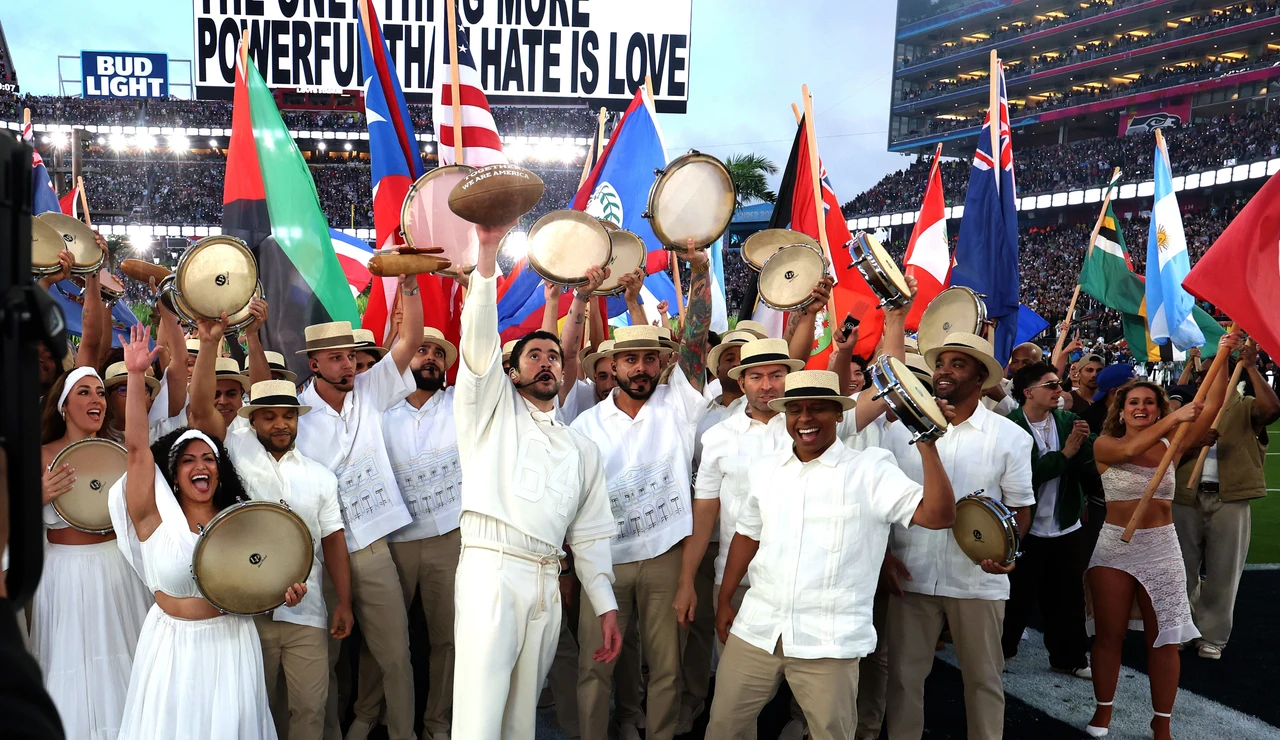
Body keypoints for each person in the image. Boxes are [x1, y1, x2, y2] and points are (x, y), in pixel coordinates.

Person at [706, 370, 957, 739]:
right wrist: (725, 599)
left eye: (817, 409)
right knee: (723, 728)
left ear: (839, 414)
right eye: (795, 410)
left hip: (829, 641)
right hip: (758, 627)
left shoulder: (870, 469)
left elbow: (939, 516)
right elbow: (747, 535)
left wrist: (927, 444)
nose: (805, 418)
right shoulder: (766, 470)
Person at [453, 220, 622, 738]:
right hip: (491, 572)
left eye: (553, 356)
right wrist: (487, 255)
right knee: (479, 718)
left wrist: (606, 605)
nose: (546, 363)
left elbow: (590, 536)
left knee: (520, 719)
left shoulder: (582, 449)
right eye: (533, 356)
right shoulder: (488, 414)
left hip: (548, 581)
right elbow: (479, 345)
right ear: (512, 372)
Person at [108, 324, 303, 739]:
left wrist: (285, 591)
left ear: (220, 470)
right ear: (174, 475)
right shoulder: (153, 517)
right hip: (171, 650)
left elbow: (264, 578)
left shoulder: (238, 521)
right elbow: (138, 450)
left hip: (232, 646)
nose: (201, 465)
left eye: (209, 458)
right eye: (188, 459)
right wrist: (137, 376)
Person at [188, 317, 356, 740]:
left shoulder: (321, 478)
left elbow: (333, 541)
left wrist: (344, 602)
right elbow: (201, 410)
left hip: (307, 610)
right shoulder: (234, 450)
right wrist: (215, 341)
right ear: (253, 421)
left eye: (288, 416)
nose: (280, 424)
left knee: (310, 710)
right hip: (245, 612)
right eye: (269, 417)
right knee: (255, 712)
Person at [882, 332, 1034, 740]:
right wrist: (884, 557)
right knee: (903, 679)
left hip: (978, 580)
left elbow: (1021, 508)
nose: (943, 371)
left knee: (984, 681)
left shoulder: (1010, 437)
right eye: (940, 363)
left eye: (958, 364)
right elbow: (881, 502)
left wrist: (1009, 553)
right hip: (911, 573)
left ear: (981, 378)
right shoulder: (899, 432)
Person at [1085, 334, 1236, 740]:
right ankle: (1103, 711)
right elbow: (1130, 451)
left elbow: (1212, 405)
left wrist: (1221, 355)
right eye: (1133, 402)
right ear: (1120, 410)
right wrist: (1173, 417)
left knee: (1164, 638)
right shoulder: (1105, 444)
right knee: (1109, 635)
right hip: (1114, 547)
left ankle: (1162, 722)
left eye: (1150, 402)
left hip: (1162, 547)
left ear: (1157, 408)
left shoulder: (1174, 444)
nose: (1141, 407)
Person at [294, 282, 423, 740]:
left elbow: (411, 338)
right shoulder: (295, 414)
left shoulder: (370, 389)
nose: (348, 364)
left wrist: (410, 286)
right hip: (319, 554)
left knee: (397, 656)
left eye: (350, 356)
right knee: (324, 662)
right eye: (336, 358)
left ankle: (404, 734)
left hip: (371, 547)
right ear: (313, 364)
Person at [348, 327, 464, 740]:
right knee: (381, 639)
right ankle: (366, 713)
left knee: (446, 639)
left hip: (449, 539)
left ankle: (437, 722)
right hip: (393, 540)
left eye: (438, 353)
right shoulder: (376, 409)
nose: (430, 357)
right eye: (421, 350)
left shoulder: (460, 405)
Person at [33, 367, 152, 740]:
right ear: (63, 406)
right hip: (64, 575)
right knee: (72, 663)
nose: (96, 399)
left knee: (124, 658)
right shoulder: (38, 456)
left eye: (100, 392)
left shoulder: (120, 452)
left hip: (117, 568)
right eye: (83, 392)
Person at [1173, 342, 1280, 660]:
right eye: (1203, 373)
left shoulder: (1246, 405)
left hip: (1230, 496)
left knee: (1224, 570)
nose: (1205, 377)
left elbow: (1272, 410)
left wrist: (1252, 367)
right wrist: (1195, 442)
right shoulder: (1189, 407)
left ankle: (1213, 636)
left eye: (1217, 370)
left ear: (1233, 374)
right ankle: (1182, 628)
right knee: (1181, 568)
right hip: (1185, 495)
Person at [1001, 362, 1101, 679]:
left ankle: (1068, 657)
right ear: (1029, 392)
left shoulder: (1068, 420)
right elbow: (1025, 477)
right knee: (1015, 594)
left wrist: (1086, 445)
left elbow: (1089, 468)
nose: (1060, 389)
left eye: (1059, 383)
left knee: (1068, 596)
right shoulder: (1009, 427)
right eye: (1051, 385)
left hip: (1065, 524)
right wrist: (1065, 454)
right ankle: (1001, 651)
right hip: (1024, 526)